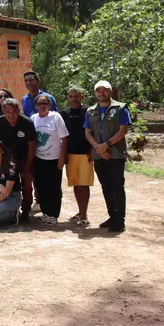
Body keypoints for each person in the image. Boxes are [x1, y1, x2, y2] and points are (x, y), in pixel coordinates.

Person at [84, 80, 131, 233]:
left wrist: (107, 144)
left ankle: (120, 220)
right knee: (106, 187)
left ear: (110, 92)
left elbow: (123, 130)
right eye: (98, 90)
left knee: (117, 187)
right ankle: (112, 216)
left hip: (115, 154)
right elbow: (87, 132)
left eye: (104, 90)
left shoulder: (120, 108)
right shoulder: (91, 110)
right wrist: (98, 147)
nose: (101, 93)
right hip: (98, 154)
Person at [0, 98, 37, 222]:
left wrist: (28, 166)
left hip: (25, 158)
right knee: (7, 185)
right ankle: (9, 211)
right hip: (7, 160)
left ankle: (26, 211)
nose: (11, 115)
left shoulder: (27, 123)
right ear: (3, 111)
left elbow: (32, 146)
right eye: (8, 112)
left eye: (14, 111)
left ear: (18, 110)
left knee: (27, 186)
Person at [30, 95, 69, 225]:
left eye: (45, 103)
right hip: (39, 159)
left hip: (54, 159)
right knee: (41, 187)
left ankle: (53, 215)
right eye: (40, 103)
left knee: (54, 188)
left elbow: (64, 139)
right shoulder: (33, 119)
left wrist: (62, 157)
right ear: (36, 106)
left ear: (49, 105)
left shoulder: (56, 117)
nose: (42, 106)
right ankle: (46, 213)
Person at [61, 86, 93, 226]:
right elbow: (63, 135)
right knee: (75, 183)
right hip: (70, 154)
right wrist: (64, 153)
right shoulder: (64, 113)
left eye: (77, 96)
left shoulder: (88, 111)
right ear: (68, 97)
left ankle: (84, 215)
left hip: (85, 153)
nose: (74, 99)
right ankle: (80, 212)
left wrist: (92, 149)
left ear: (82, 97)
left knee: (84, 184)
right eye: (71, 96)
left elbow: (94, 131)